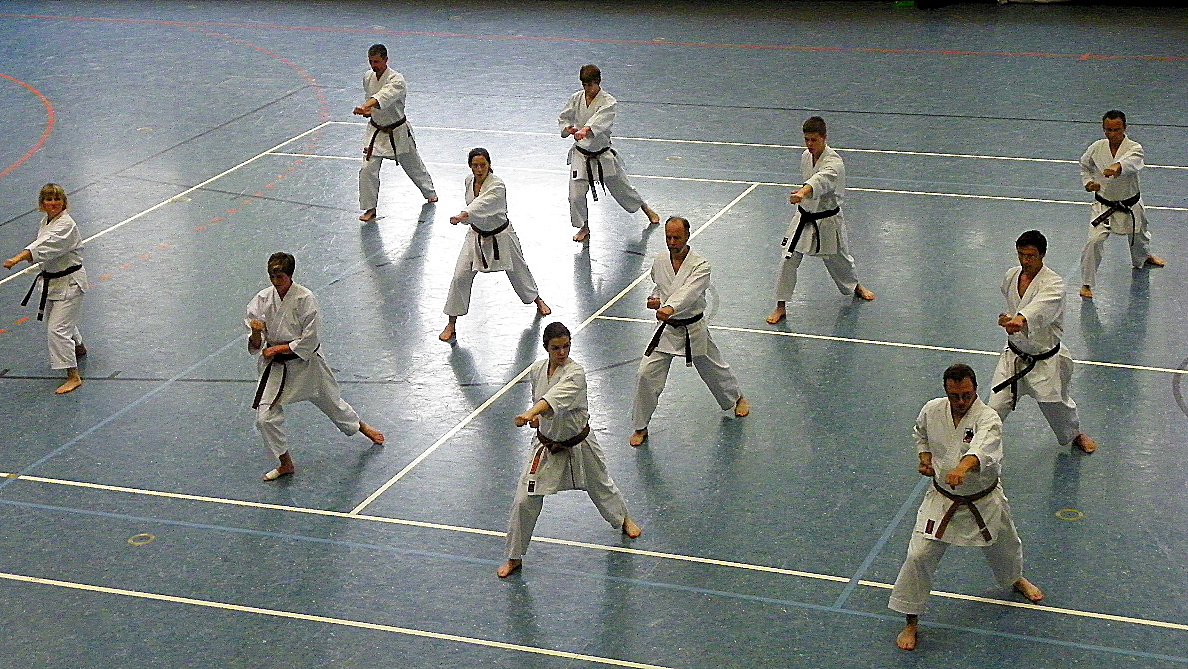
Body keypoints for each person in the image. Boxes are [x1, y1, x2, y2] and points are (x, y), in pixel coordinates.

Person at [889, 363, 1044, 651]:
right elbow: (920, 434)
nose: (961, 401)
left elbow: (982, 449)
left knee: (1005, 545)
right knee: (918, 555)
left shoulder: (988, 418)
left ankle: (1015, 579)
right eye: (955, 396)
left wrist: (961, 469)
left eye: (967, 395)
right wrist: (924, 458)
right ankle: (911, 621)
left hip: (984, 499)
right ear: (946, 391)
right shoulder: (933, 410)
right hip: (942, 499)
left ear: (975, 390)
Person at [499, 321, 642, 578]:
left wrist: (531, 412)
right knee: (524, 500)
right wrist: (535, 418)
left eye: (566, 346)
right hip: (546, 446)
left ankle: (623, 519)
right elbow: (539, 401)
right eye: (556, 348)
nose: (562, 352)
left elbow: (553, 399)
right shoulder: (537, 370)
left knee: (601, 486)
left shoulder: (576, 373)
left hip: (580, 444)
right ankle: (514, 556)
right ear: (546, 347)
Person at [246, 252, 384, 481]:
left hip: (306, 364)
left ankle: (362, 427)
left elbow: (310, 340)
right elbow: (255, 344)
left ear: (290, 275)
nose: (275, 281)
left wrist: (279, 349)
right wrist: (256, 332)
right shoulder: (261, 300)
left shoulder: (305, 299)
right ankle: (285, 463)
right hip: (277, 370)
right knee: (264, 419)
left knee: (332, 403)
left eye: (279, 276)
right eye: (272, 276)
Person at [628, 216, 748, 447]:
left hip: (692, 328)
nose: (672, 242)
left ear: (687, 236)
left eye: (677, 237)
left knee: (714, 370)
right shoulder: (660, 261)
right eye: (668, 237)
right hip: (666, 330)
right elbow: (660, 285)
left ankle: (737, 398)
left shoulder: (701, 265)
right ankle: (640, 426)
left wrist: (670, 307)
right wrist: (656, 299)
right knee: (645, 374)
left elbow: (689, 293)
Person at [988, 230, 1096, 453]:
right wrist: (1008, 318)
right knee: (994, 407)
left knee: (1056, 405)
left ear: (1042, 255)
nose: (1025, 261)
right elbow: (1015, 306)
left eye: (1031, 256)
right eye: (1021, 255)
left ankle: (1075, 434)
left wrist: (1019, 320)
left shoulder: (1053, 284)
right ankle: (977, 450)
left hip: (1045, 361)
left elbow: (1039, 309)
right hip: (1013, 357)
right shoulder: (1011, 276)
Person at [766, 116, 874, 325]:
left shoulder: (834, 163)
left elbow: (820, 180)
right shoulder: (806, 156)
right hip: (804, 216)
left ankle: (855, 286)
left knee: (840, 259)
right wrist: (803, 196)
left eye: (814, 140)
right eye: (806, 139)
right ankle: (781, 306)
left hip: (828, 220)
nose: (809, 144)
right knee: (787, 260)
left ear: (824, 138)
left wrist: (802, 192)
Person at [439, 148, 551, 342]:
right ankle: (451, 323)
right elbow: (474, 205)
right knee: (460, 277)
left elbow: (482, 205)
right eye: (475, 165)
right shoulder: (468, 181)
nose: (479, 169)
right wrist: (466, 216)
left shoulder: (497, 185)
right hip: (475, 235)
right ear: (469, 166)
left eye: (483, 165)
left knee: (519, 270)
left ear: (489, 164)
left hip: (502, 235)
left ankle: (537, 299)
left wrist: (463, 215)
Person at [559, 64, 659, 243]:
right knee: (575, 196)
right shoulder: (576, 98)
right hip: (581, 155)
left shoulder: (608, 102)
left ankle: (645, 208)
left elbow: (600, 121)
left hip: (602, 155)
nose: (587, 89)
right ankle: (584, 226)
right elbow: (564, 117)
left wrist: (586, 130)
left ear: (598, 82)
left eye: (590, 85)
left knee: (623, 188)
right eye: (584, 85)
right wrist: (568, 128)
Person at [3, 183, 88, 395]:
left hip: (70, 283)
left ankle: (73, 376)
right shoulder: (47, 221)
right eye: (49, 199)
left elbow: (44, 246)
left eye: (57, 199)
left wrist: (17, 258)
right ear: (42, 204)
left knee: (57, 330)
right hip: (54, 282)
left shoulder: (66, 224)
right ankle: (78, 347)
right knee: (58, 323)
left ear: (64, 202)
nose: (53, 203)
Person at [1077, 109, 1165, 299]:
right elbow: (1085, 165)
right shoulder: (1097, 147)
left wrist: (1117, 167)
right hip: (1104, 206)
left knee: (1139, 235)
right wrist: (1088, 182)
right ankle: (1086, 283)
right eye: (1108, 130)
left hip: (1130, 204)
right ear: (1103, 129)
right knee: (1094, 241)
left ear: (1125, 128)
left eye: (1116, 130)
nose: (1112, 134)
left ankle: (1144, 257)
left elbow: (1132, 162)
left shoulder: (1134, 148)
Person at [353, 43, 437, 222]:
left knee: (413, 165)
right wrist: (367, 111)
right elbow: (371, 101)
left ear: (386, 60)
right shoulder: (368, 77)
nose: (373, 65)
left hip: (397, 131)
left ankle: (430, 192)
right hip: (376, 131)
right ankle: (370, 208)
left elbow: (383, 96)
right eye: (370, 61)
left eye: (377, 61)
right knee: (367, 169)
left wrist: (365, 106)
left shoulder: (397, 80)